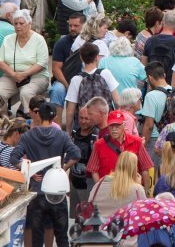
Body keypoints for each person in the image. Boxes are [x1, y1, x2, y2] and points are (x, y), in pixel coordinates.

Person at [9, 103, 80, 247]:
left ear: (39, 116)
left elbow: (14, 158)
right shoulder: (62, 135)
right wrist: (62, 167)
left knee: (36, 239)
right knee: (61, 238)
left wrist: (31, 171)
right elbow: (76, 154)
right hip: (57, 194)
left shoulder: (28, 136)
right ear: (54, 116)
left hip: (37, 192)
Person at [89, 152, 147, 246]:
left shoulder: (99, 185)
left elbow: (90, 203)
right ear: (134, 168)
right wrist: (138, 185)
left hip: (100, 238)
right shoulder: (136, 189)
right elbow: (143, 213)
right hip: (126, 240)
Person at [0, 10, 50, 115]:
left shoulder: (39, 40)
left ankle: (32, 122)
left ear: (29, 24)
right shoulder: (8, 39)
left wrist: (24, 74)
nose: (18, 26)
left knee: (26, 93)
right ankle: (4, 123)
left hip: (36, 77)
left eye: (21, 23)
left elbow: (42, 63)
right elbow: (1, 61)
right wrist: (13, 74)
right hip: (11, 76)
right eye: (15, 23)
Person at [64, 42, 121, 128]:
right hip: (104, 124)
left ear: (81, 58)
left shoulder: (76, 79)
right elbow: (117, 101)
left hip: (85, 125)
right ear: (97, 57)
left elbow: (70, 111)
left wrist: (68, 132)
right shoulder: (105, 73)